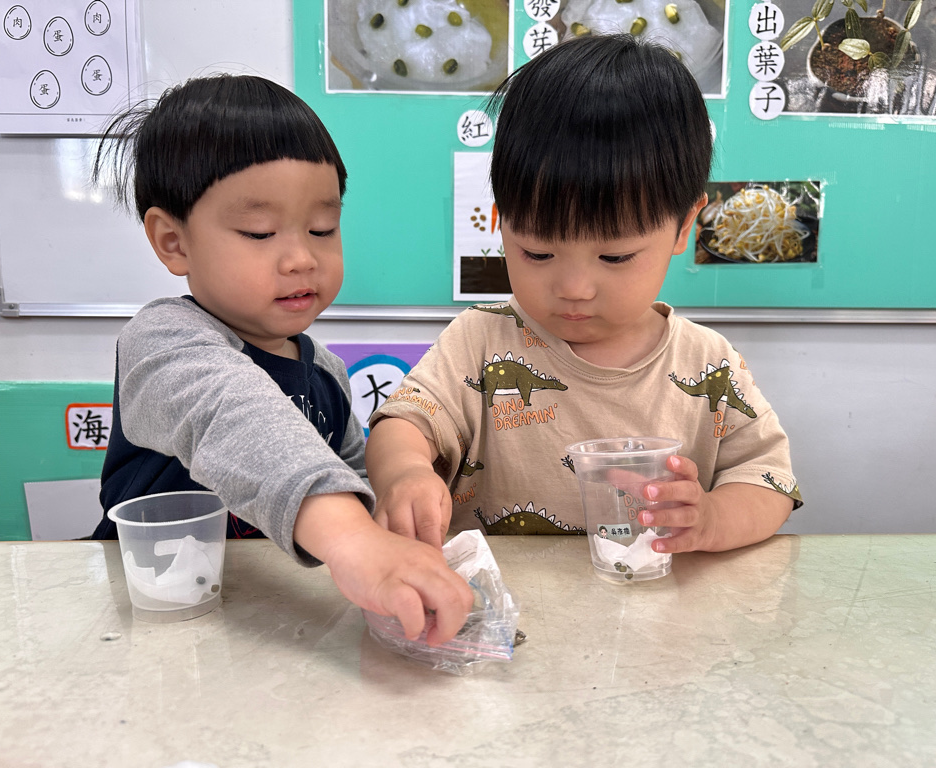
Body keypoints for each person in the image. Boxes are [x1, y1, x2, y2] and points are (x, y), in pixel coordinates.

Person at [366, 35, 802, 555]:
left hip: (655, 597)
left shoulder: (709, 362)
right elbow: (404, 423)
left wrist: (711, 519)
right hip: (507, 600)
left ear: (685, 225)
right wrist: (407, 472)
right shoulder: (479, 341)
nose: (573, 288)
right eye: (537, 253)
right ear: (501, 220)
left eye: (614, 257)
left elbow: (768, 480)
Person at [89, 74, 471, 643]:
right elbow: (233, 415)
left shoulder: (326, 373)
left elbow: (350, 479)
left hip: (265, 622)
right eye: (260, 232)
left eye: (322, 228)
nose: (301, 258)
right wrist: (354, 541)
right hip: (148, 617)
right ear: (173, 241)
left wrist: (395, 522)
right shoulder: (162, 340)